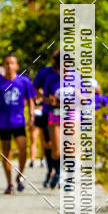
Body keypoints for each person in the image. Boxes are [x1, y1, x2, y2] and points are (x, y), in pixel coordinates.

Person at [0, 54, 35, 194]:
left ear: (17, 66)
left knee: (23, 148)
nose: (9, 66)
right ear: (3, 66)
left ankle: (20, 176)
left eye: (12, 63)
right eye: (7, 63)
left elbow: (31, 100)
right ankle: (9, 183)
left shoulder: (24, 81)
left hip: (19, 122)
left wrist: (31, 117)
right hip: (4, 123)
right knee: (6, 153)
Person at [33, 50, 59, 187]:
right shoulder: (45, 73)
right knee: (48, 143)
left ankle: (60, 172)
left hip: (65, 114)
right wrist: (45, 99)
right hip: (47, 111)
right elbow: (35, 88)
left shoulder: (71, 74)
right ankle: (50, 170)